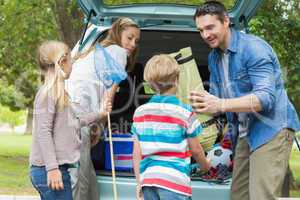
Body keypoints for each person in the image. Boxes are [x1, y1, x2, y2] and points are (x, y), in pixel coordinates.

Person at [190, 1, 300, 200]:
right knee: (239, 195)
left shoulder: (254, 49)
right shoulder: (214, 58)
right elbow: (217, 103)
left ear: (226, 21)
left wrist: (220, 104)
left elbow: (265, 99)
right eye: (200, 30)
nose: (205, 35)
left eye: (210, 27)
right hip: (243, 133)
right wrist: (200, 105)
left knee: (261, 196)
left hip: (271, 128)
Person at [65, 17, 140, 200]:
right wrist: (99, 126)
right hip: (78, 114)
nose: (132, 44)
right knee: (79, 178)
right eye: (129, 38)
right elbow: (109, 96)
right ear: (117, 32)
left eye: (136, 41)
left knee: (87, 174)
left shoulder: (94, 51)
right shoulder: (119, 53)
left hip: (72, 110)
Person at [29, 40, 112, 200]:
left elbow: (75, 120)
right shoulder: (48, 94)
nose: (72, 64)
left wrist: (100, 113)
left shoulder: (61, 94)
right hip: (49, 170)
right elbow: (43, 132)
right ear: (61, 62)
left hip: (59, 169)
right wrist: (52, 169)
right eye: (71, 60)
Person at [132, 54, 210, 200]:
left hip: (149, 181)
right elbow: (196, 150)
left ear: (149, 84)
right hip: (175, 182)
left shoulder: (140, 113)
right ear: (176, 80)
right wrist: (206, 166)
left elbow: (137, 154)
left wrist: (139, 183)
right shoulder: (185, 112)